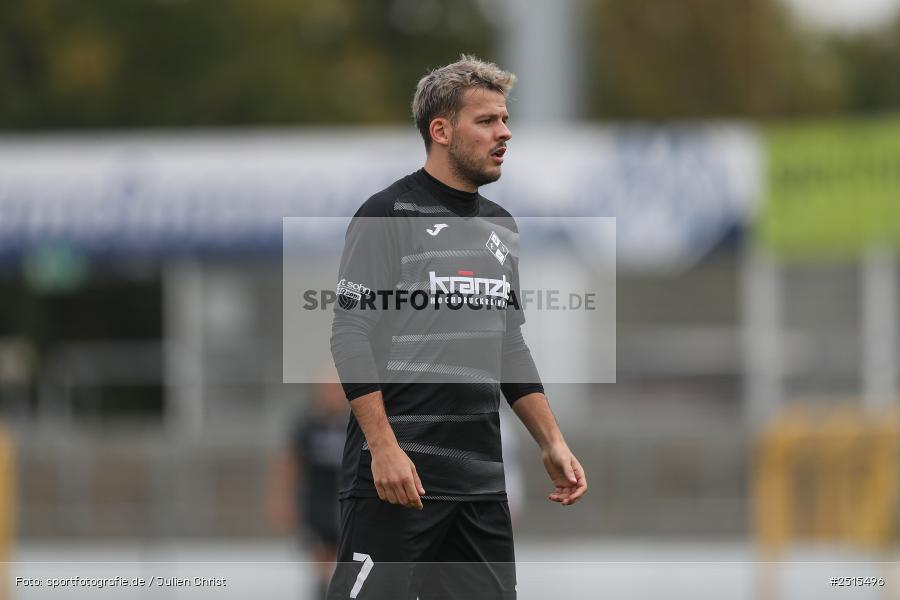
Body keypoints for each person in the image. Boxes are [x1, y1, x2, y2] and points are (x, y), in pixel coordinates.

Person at [327, 54, 587, 600]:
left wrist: (551, 441)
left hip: (480, 490)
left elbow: (509, 345)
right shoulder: (387, 213)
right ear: (441, 131)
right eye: (487, 120)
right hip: (399, 482)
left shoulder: (500, 226)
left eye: (505, 119)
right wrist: (383, 449)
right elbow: (349, 332)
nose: (504, 133)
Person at [267, 380, 348, 600]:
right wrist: (283, 500)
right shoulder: (307, 426)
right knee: (322, 553)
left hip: (345, 500)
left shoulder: (355, 424)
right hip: (317, 503)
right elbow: (289, 463)